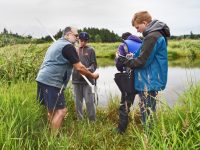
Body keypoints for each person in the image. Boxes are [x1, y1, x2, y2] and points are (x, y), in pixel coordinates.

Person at [36, 27, 99, 135]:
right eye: (76, 36)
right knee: (62, 111)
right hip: (52, 81)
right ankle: (53, 139)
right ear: (68, 34)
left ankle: (52, 133)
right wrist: (92, 75)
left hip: (42, 79)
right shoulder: (68, 46)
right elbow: (79, 67)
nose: (78, 38)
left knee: (51, 110)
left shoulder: (56, 44)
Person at [116, 11, 170, 133]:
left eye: (137, 27)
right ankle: (150, 138)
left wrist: (123, 60)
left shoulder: (152, 37)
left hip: (149, 81)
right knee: (147, 111)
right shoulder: (151, 36)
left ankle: (150, 141)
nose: (137, 31)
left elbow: (142, 61)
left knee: (148, 114)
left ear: (144, 23)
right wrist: (130, 57)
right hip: (148, 79)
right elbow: (139, 54)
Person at [114, 32, 142, 134]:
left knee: (125, 106)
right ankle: (148, 131)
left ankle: (121, 131)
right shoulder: (143, 44)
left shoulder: (123, 45)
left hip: (129, 80)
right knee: (145, 105)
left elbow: (119, 65)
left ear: (123, 39)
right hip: (144, 79)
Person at [72, 32, 97, 121]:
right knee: (77, 103)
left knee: (89, 102)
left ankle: (92, 121)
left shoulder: (91, 50)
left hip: (88, 81)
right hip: (76, 81)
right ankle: (80, 121)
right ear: (78, 39)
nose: (82, 42)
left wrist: (87, 70)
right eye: (81, 40)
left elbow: (94, 65)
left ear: (87, 41)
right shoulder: (74, 50)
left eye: (85, 40)